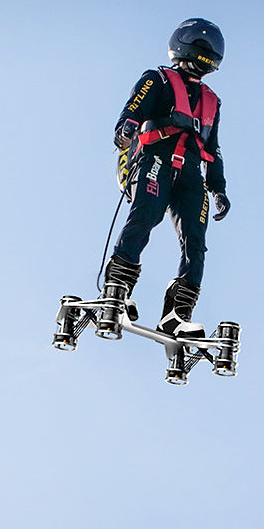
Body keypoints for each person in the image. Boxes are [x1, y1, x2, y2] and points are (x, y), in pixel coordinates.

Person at [101, 18, 231, 338]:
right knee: (145, 216)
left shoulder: (211, 101)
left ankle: (176, 315)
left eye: (211, 47)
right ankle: (117, 291)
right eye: (200, 44)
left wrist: (218, 188)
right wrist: (127, 126)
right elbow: (135, 106)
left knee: (196, 243)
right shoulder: (158, 79)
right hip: (155, 158)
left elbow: (212, 148)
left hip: (191, 175)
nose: (206, 51)